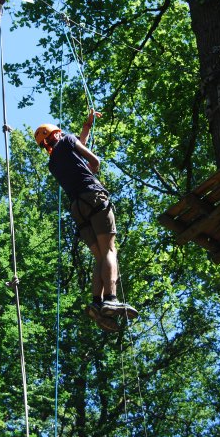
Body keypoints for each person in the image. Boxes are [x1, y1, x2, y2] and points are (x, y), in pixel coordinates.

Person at [34, 111, 138, 333]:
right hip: (93, 197)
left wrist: (87, 126)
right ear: (57, 134)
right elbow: (94, 161)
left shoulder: (53, 163)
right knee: (109, 250)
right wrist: (91, 171)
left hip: (78, 208)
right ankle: (111, 299)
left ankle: (96, 303)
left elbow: (78, 145)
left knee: (99, 256)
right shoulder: (67, 141)